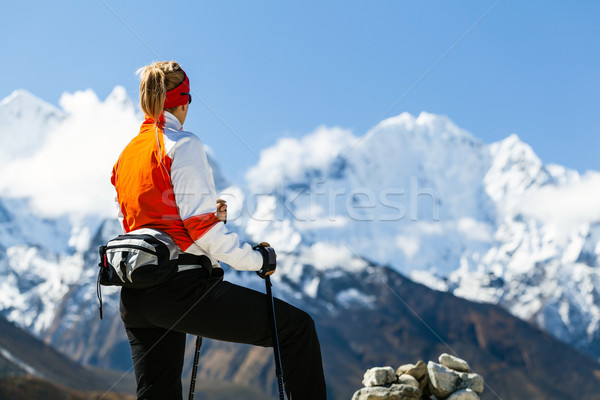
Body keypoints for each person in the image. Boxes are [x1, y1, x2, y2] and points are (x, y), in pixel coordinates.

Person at [112, 61, 327, 399]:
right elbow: (202, 232)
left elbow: (148, 220)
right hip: (179, 290)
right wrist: (258, 259)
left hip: (135, 293)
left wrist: (211, 219)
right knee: (296, 329)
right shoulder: (183, 145)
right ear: (183, 101)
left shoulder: (126, 156)